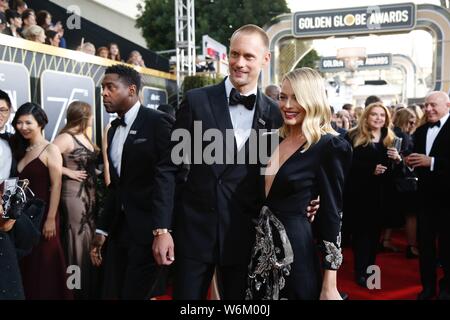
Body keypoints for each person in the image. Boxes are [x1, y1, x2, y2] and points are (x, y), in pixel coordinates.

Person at [152, 24, 318, 300]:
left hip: (246, 237)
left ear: (265, 59)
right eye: (234, 54)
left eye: (249, 57)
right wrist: (162, 229)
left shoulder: (276, 115)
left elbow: (288, 171)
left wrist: (311, 197)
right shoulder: (196, 101)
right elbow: (169, 169)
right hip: (194, 233)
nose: (239, 63)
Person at [247, 68, 352, 300]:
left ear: (313, 100)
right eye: (283, 97)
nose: (287, 104)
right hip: (258, 252)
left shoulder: (329, 147)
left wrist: (329, 284)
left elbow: (332, 216)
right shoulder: (270, 140)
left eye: (296, 97)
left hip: (296, 253)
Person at [89, 65, 173, 299]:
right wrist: (102, 229)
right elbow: (118, 187)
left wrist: (163, 229)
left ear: (132, 90)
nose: (104, 93)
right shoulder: (113, 131)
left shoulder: (158, 122)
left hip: (151, 230)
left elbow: (173, 178)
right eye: (102, 88)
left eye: (110, 88)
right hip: (120, 230)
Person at [11, 103, 72, 299]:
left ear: (40, 123)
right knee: (26, 263)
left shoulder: (50, 149)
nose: (23, 127)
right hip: (20, 218)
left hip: (44, 216)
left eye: (28, 122)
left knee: (45, 265)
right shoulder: (19, 148)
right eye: (19, 122)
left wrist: (51, 219)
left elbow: (56, 185)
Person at [344, 102, 402, 288]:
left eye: (382, 115)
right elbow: (345, 165)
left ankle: (370, 273)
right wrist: (370, 170)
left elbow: (396, 171)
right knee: (362, 236)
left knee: (375, 236)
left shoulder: (391, 138)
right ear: (366, 117)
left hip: (382, 195)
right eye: (374, 115)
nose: (378, 118)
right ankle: (361, 272)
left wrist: (398, 160)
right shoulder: (352, 136)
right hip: (360, 195)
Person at [406, 91, 450, 300]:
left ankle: (447, 289)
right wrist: (409, 162)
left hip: (448, 200)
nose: (428, 109)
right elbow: (416, 159)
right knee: (425, 246)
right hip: (424, 199)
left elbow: (430, 161)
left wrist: (431, 162)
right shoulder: (421, 130)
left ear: (447, 105)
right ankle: (428, 287)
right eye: (426, 105)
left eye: (433, 105)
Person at [53, 101, 99, 300]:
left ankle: (87, 288)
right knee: (75, 241)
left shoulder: (85, 136)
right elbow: (44, 159)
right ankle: (74, 291)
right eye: (91, 115)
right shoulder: (64, 138)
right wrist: (68, 171)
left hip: (89, 195)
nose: (93, 118)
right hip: (72, 196)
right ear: (83, 116)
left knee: (87, 240)